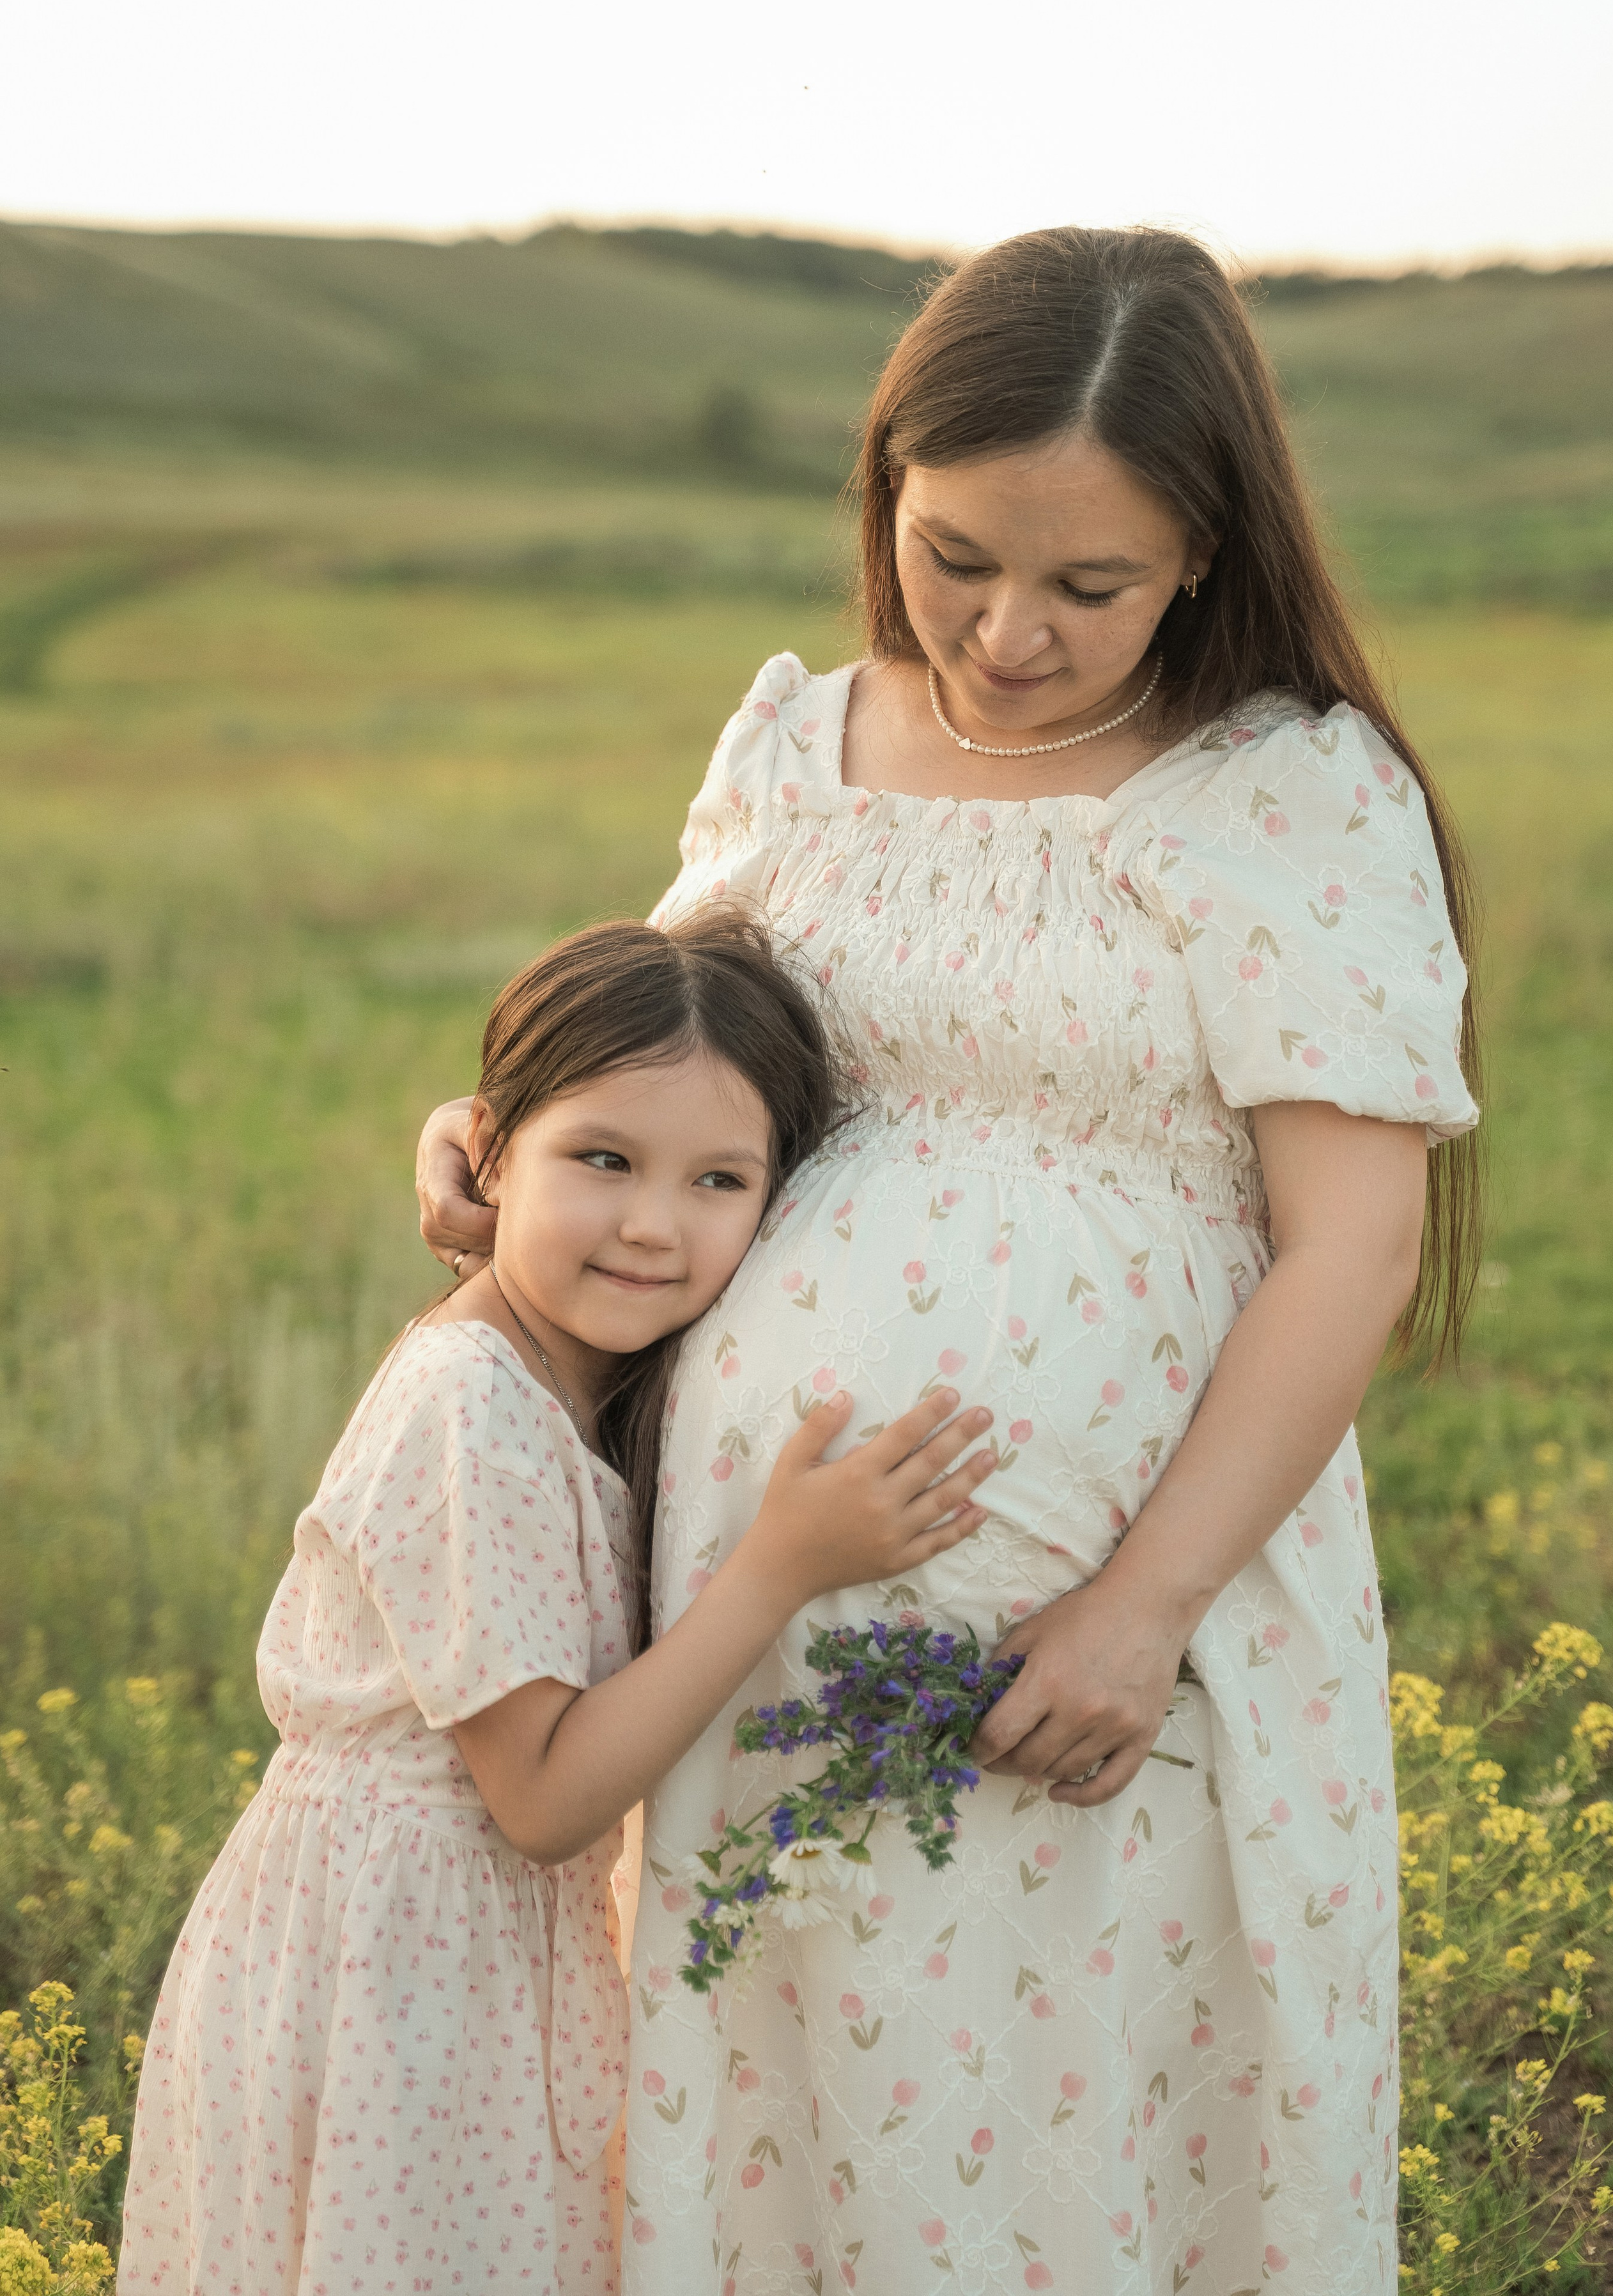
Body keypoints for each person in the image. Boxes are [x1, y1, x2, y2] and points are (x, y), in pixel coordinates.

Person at [416, 227, 1481, 2293]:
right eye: (956, 555)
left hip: (1116, 1638)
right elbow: (678, 1058)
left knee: (1097, 2110)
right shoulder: (799, 749)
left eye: (1089, 585)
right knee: (804, 2088)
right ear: (886, 487)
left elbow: (1352, 1250)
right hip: (770, 1611)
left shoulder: (1282, 795)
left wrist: (1135, 1610)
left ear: (1204, 548)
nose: (1004, 634)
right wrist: (495, 1141)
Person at [118, 907, 997, 2296]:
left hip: (463, 1976)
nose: (652, 1225)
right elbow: (537, 1801)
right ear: (487, 1155)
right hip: (385, 1984)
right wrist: (783, 1563)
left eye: (719, 1181)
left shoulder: (569, 1375)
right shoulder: (473, 1406)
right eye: (601, 1161)